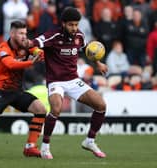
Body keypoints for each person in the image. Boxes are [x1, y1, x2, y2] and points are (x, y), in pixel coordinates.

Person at [24, 7, 108, 159]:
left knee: (101, 105)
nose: (74, 28)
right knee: (56, 109)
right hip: (56, 81)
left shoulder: (79, 36)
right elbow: (33, 42)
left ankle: (89, 141)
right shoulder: (53, 36)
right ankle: (45, 147)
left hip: (73, 80)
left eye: (76, 24)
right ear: (63, 23)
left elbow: (88, 50)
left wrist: (99, 63)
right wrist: (30, 46)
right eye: (71, 25)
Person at [0, 21, 47, 157]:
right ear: (12, 33)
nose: (24, 36)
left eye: (25, 33)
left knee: (41, 109)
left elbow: (39, 52)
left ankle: (30, 147)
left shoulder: (26, 45)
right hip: (1, 90)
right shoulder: (2, 48)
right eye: (21, 33)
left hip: (17, 91)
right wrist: (31, 62)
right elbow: (11, 64)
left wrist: (38, 51)